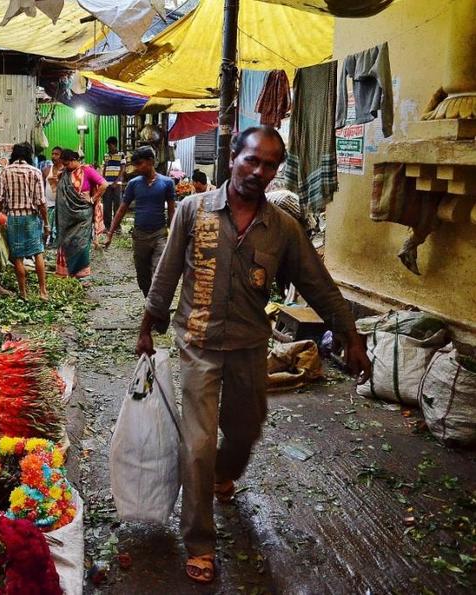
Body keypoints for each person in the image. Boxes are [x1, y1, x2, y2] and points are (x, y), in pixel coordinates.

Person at [135, 126, 372, 584]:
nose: (257, 171)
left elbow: (317, 284)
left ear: (275, 171)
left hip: (249, 345)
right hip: (197, 343)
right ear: (233, 158)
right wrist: (148, 328)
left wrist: (351, 335)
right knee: (198, 445)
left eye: (268, 165)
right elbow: (165, 276)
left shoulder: (282, 228)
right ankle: (200, 541)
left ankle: (226, 473)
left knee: (245, 431)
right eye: (251, 160)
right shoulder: (192, 209)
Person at [105, 146, 176, 297]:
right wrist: (110, 232)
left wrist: (174, 234)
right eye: (135, 164)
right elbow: (122, 209)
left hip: (160, 235)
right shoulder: (134, 184)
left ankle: (158, 307)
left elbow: (172, 211)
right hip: (139, 236)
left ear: (151, 161)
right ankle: (150, 301)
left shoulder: (167, 183)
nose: (136, 168)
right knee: (142, 276)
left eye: (140, 163)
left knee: (159, 272)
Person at [0, 142, 48, 300]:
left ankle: (23, 293)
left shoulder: (5, 172)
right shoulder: (35, 172)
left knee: (18, 256)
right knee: (38, 253)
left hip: (14, 219)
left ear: (14, 155)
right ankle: (43, 291)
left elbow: (0, 200)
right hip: (31, 217)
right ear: (29, 155)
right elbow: (41, 202)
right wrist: (46, 223)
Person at [55, 149, 108, 280]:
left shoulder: (87, 170)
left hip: (83, 216)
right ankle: (66, 273)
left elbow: (104, 184)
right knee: (65, 242)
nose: (65, 167)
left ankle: (82, 274)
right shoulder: (65, 174)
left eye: (67, 164)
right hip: (66, 218)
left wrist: (92, 198)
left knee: (81, 244)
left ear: (74, 160)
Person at [101, 136, 125, 232]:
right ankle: (107, 226)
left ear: (115, 145)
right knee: (106, 205)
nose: (109, 148)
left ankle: (117, 226)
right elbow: (104, 168)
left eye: (110, 146)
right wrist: (102, 180)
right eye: (108, 146)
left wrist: (116, 181)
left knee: (117, 205)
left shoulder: (121, 154)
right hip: (107, 183)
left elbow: (123, 169)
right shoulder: (106, 155)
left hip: (117, 184)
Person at [42, 146, 63, 246]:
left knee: (59, 227)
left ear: (61, 156)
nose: (53, 156)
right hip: (48, 204)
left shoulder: (65, 171)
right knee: (47, 227)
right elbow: (41, 187)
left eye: (57, 154)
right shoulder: (46, 170)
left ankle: (57, 245)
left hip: (61, 204)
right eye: (52, 154)